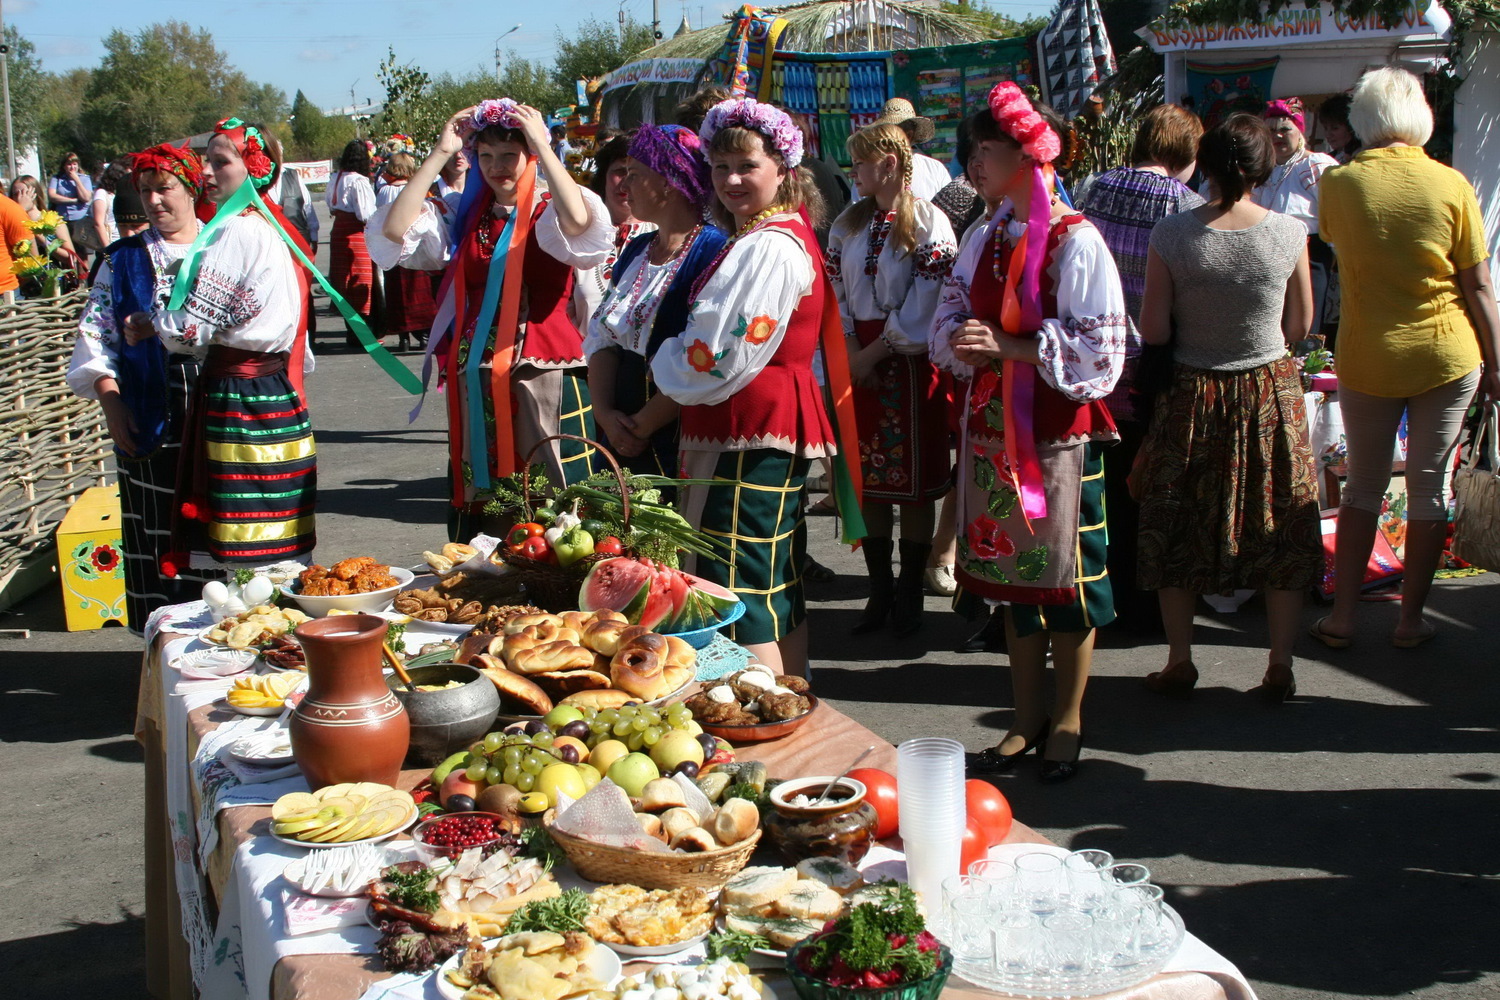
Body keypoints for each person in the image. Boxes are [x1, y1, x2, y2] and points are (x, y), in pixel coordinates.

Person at [932, 84, 1126, 782]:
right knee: (1012, 579)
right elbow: (950, 311)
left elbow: (1101, 351)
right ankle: (1025, 718)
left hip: (1055, 436)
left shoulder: (1076, 239)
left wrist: (1014, 350)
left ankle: (1069, 717)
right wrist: (962, 337)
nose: (972, 165)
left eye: (983, 152)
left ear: (1024, 154)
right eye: (970, 153)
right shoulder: (985, 234)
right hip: (992, 429)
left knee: (1067, 581)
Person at [648, 98, 861, 678]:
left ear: (783, 168)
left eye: (746, 165)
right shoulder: (771, 233)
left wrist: (658, 354)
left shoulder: (768, 244)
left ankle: (767, 714)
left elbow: (717, 354)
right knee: (771, 581)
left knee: (739, 586)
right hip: (755, 425)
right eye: (719, 168)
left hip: (748, 429)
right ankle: (795, 699)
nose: (732, 180)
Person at [1134, 113, 1320, 702]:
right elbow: (1300, 324)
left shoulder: (1172, 235)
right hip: (1269, 390)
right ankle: (1280, 664)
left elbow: (1154, 327)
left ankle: (1180, 660)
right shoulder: (1291, 232)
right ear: (1265, 167)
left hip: (1192, 393)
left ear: (1205, 164)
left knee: (1177, 522)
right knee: (1280, 525)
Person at [1314, 67, 1500, 650]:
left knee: (1363, 486)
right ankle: (1411, 620)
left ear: (1363, 120)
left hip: (1368, 351)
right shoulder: (1451, 184)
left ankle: (1343, 617)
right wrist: (1496, 364)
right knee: (1429, 487)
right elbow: (1479, 287)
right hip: (1447, 351)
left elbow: (1340, 249)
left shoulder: (1339, 185)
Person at [370, 99, 614, 538]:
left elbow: (580, 223)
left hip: (546, 371)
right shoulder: (467, 214)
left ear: (531, 155)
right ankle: (493, 591)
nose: (497, 167)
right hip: (476, 374)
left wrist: (542, 141)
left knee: (557, 494)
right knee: (490, 492)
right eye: (486, 156)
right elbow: (393, 230)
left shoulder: (550, 209)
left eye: (509, 155)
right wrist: (442, 152)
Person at [122, 118, 317, 572]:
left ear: (254, 167)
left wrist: (151, 323)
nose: (208, 173)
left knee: (250, 529)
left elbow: (193, 330)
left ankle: (261, 627)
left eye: (221, 163)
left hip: (242, 395)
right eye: (208, 162)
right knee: (275, 519)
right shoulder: (266, 227)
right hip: (268, 388)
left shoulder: (239, 231)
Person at [67, 144, 210, 630]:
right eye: (146, 191)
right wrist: (111, 402)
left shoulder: (224, 246)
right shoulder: (121, 261)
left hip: (218, 407)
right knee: (160, 533)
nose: (153, 201)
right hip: (150, 408)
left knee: (218, 530)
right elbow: (96, 334)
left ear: (190, 188)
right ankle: (164, 652)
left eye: (164, 188)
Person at [1076, 103, 1205, 634]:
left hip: (1092, 360)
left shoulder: (1093, 189)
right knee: (1146, 487)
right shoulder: (1187, 205)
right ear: (1185, 152)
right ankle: (1140, 601)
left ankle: (1096, 592)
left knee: (1099, 487)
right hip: (1152, 365)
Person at [827, 122, 957, 636]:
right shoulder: (848, 223)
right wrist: (853, 349)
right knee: (871, 484)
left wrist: (877, 350)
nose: (853, 171)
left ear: (887, 162)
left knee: (917, 485)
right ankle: (879, 588)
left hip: (908, 362)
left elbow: (930, 297)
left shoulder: (928, 220)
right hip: (860, 357)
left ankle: (909, 590)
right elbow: (835, 287)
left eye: (859, 162)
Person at [585, 125, 728, 479]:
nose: (624, 185)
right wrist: (604, 414)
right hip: (619, 428)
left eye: (635, 175)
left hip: (673, 428)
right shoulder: (638, 248)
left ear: (669, 181)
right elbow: (604, 338)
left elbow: (706, 356)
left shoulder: (713, 249)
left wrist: (642, 426)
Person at [1254, 99, 1337, 335]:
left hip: (1311, 258)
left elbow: (1334, 214)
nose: (1277, 136)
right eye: (1271, 131)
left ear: (1299, 132)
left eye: (1285, 129)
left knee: (1307, 328)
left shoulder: (1315, 165)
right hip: (1269, 258)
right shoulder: (1262, 170)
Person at [574, 134, 653, 329]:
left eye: (635, 173)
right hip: (580, 356)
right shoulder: (577, 234)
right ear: (604, 176)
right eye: (619, 171)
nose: (626, 183)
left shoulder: (662, 235)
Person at [374, 152, 439, 352]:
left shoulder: (384, 190)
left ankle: (404, 338)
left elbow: (379, 214)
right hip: (415, 243)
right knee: (419, 292)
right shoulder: (416, 189)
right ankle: (425, 335)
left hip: (394, 245)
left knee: (398, 292)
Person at [327, 139, 378, 347]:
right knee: (361, 281)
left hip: (338, 231)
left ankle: (351, 332)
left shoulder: (335, 178)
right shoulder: (358, 181)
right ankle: (361, 335)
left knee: (343, 282)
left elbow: (331, 206)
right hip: (356, 234)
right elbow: (366, 213)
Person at [10, 175, 79, 262]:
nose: (20, 198)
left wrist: (42, 240)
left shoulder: (51, 219)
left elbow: (72, 258)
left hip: (50, 271)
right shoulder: (10, 221)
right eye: (15, 194)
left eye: (25, 193)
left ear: (35, 193)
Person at [49, 153, 94, 262]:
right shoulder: (57, 179)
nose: (72, 167)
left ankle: (83, 277)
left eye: (75, 164)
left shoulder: (84, 179)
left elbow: (85, 197)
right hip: (62, 220)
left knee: (82, 254)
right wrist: (73, 200)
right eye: (69, 164)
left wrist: (76, 180)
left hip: (80, 220)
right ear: (64, 165)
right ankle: (70, 276)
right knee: (67, 253)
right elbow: (52, 196)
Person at [90, 162, 129, 252]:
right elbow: (98, 223)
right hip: (109, 242)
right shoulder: (101, 193)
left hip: (120, 241)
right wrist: (108, 249)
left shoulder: (115, 193)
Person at [1317, 94, 1361, 163]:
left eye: (1335, 128)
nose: (1328, 134)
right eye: (1325, 128)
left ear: (1351, 127)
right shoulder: (1328, 159)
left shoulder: (1362, 156)